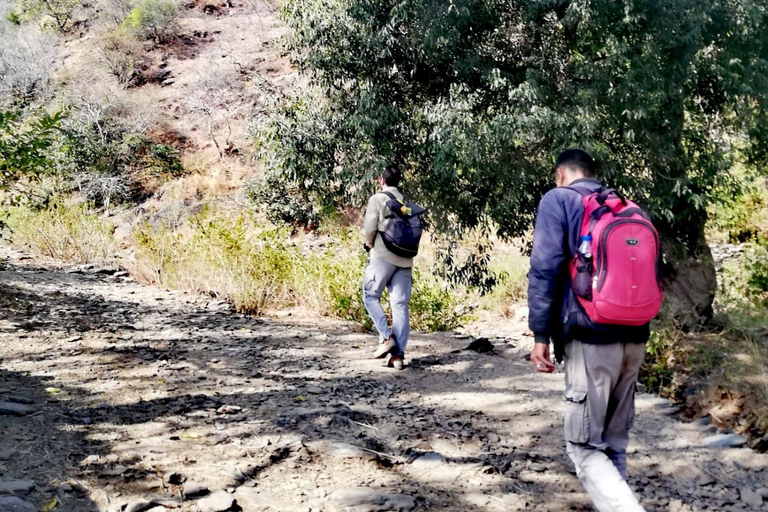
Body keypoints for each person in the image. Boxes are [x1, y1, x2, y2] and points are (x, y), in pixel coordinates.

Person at [528, 149, 650, 512]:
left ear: (561, 174)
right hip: (635, 335)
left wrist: (540, 335)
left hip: (591, 336)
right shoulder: (627, 206)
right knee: (614, 444)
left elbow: (545, 269)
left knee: (582, 446)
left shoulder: (559, 200)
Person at [362, 164, 413, 370]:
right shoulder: (407, 202)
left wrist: (369, 244)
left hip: (383, 256)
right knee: (400, 305)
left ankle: (385, 339)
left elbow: (369, 226)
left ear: (382, 181)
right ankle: (397, 356)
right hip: (405, 259)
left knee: (370, 295)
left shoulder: (377, 199)